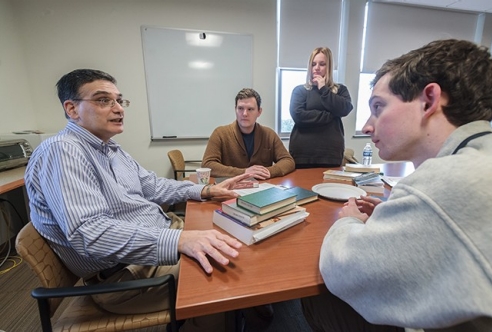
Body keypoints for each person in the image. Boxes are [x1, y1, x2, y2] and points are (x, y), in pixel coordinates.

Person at [24, 69, 251, 331]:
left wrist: (203, 191)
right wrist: (179, 240)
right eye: (103, 100)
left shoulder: (110, 148)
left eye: (119, 100)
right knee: (229, 271)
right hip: (128, 277)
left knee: (239, 239)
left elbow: (152, 185)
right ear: (72, 109)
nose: (118, 108)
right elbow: (90, 233)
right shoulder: (63, 150)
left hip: (157, 243)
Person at [302, 39, 492, 331]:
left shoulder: (440, 184)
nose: (368, 126)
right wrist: (401, 214)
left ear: (429, 100)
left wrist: (348, 222)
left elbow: (339, 268)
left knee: (315, 298)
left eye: (379, 107)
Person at [202, 88, 295, 180]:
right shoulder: (220, 134)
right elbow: (207, 164)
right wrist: (244, 172)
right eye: (240, 108)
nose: (245, 114)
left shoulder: (269, 134)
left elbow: (288, 161)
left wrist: (268, 171)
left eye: (250, 109)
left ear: (259, 112)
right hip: (230, 189)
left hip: (262, 189)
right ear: (235, 109)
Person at [288, 46, 353, 168]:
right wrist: (330, 115)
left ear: (329, 67)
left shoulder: (339, 90)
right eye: (313, 64)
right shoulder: (300, 90)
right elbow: (299, 116)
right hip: (302, 154)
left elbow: (345, 109)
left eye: (322, 64)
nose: (316, 68)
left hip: (331, 154)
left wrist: (324, 89)